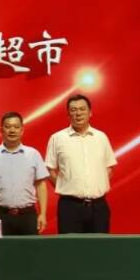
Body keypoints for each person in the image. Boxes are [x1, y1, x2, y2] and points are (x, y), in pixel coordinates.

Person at [45, 94, 117, 233]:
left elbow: (109, 166)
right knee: (70, 246)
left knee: (100, 245)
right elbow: (49, 169)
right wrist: (65, 186)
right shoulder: (57, 138)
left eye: (82, 109)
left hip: (98, 207)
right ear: (68, 115)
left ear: (90, 112)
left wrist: (96, 185)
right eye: (73, 110)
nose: (78, 113)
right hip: (69, 207)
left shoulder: (101, 137)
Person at [0, 112, 49, 235]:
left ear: (22, 130)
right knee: (1, 248)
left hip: (28, 215)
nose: (12, 130)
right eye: (8, 126)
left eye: (16, 127)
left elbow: (41, 185)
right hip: (0, 214)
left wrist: (43, 214)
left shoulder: (33, 154)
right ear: (1, 130)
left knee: (30, 247)